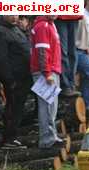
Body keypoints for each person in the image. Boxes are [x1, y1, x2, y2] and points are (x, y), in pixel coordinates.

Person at [0, 15, 31, 149]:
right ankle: (9, 138)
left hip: (25, 76)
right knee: (12, 109)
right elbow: (0, 59)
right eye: (11, 13)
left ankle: (13, 136)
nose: (14, 17)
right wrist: (9, 79)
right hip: (13, 79)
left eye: (16, 13)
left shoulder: (16, 29)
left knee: (19, 109)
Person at [30, 16, 64, 149]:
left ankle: (51, 136)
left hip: (52, 70)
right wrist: (47, 73)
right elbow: (42, 51)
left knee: (51, 106)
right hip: (46, 72)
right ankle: (47, 139)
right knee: (47, 107)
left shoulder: (51, 25)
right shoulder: (42, 26)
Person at [55, 15, 82, 97]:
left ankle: (71, 84)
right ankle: (65, 85)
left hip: (74, 14)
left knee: (73, 53)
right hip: (60, 15)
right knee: (63, 52)